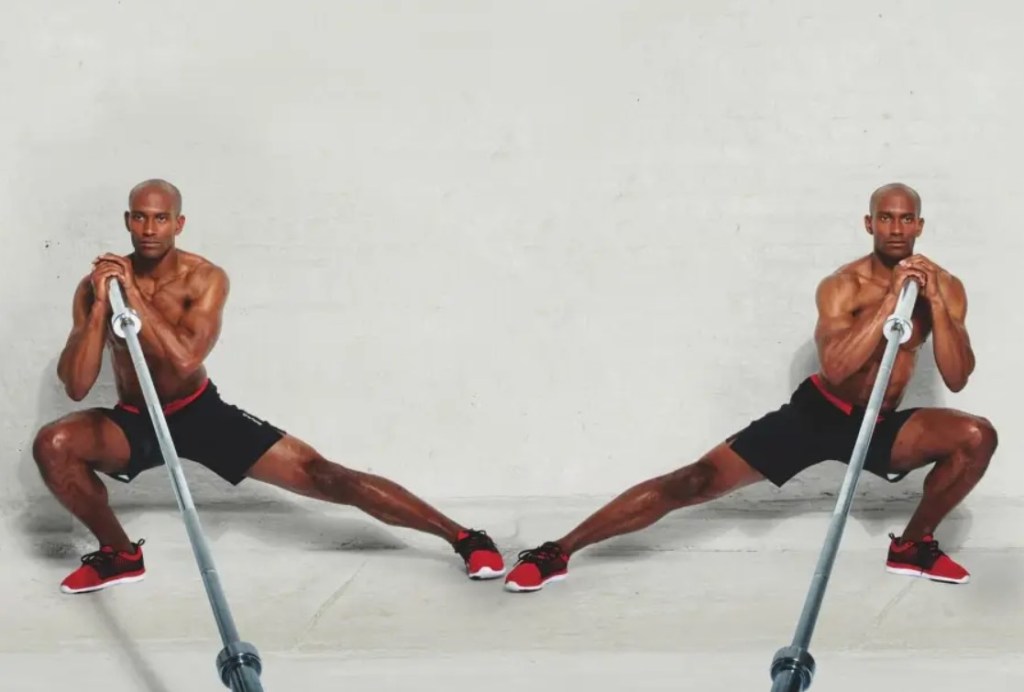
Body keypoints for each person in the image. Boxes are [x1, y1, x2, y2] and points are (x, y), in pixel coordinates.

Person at [505, 182, 997, 592]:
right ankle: (559, 550)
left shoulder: (945, 286)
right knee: (694, 481)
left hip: (879, 425)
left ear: (920, 225)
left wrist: (936, 305)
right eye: (886, 219)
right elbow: (838, 366)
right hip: (818, 415)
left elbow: (956, 376)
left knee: (976, 436)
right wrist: (893, 300)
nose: (897, 229)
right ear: (869, 224)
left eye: (906, 219)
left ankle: (912, 545)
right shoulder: (843, 285)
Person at [33, 179, 505, 594]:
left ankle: (464, 538)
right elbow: (76, 386)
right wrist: (99, 308)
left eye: (161, 218)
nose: (150, 229)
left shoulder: (205, 278)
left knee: (326, 476)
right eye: (140, 217)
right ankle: (120, 555)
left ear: (180, 223)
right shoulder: (98, 285)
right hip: (136, 422)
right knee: (53, 444)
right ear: (127, 221)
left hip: (199, 413)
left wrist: (133, 296)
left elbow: (186, 357)